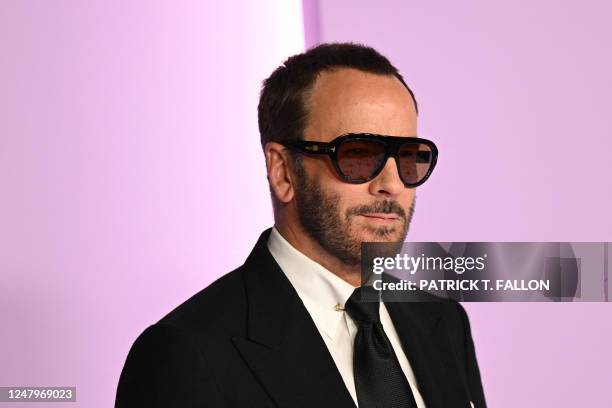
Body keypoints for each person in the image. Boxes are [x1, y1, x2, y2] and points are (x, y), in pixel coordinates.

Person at [115, 42, 486, 408]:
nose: (392, 183)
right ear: (282, 171)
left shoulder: (442, 322)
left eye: (408, 157)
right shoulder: (186, 354)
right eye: (358, 154)